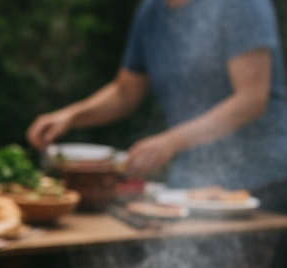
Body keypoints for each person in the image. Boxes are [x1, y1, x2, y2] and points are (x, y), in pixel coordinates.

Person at [27, 0, 287, 211]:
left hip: (259, 179)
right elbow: (125, 91)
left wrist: (169, 142)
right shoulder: (151, 12)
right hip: (192, 183)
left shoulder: (241, 5)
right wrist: (71, 116)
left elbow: (251, 100)